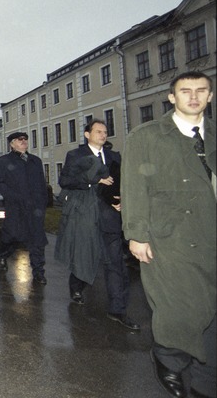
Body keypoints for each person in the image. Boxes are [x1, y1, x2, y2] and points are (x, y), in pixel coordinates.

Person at [122, 71, 216, 398]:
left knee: (211, 309)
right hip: (169, 235)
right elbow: (134, 187)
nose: (194, 96)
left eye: (201, 90)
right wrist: (136, 234)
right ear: (172, 98)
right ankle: (170, 356)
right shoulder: (147, 137)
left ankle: (206, 380)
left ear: (210, 95)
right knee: (180, 305)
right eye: (185, 91)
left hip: (210, 233)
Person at [55, 120, 139, 331]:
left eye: (105, 131)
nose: (103, 134)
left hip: (109, 216)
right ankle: (76, 286)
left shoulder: (114, 157)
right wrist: (94, 180)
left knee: (114, 264)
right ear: (87, 134)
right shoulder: (76, 156)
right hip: (85, 215)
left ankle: (117, 309)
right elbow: (65, 181)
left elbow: (125, 180)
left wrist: (122, 200)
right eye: (98, 131)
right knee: (84, 256)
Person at [0, 131, 49, 284]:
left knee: (37, 240)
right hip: (16, 207)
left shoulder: (35, 161)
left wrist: (43, 203)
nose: (24, 142)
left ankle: (39, 271)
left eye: (25, 139)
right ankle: (2, 254)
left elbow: (41, 184)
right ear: (12, 144)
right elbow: (0, 183)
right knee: (11, 236)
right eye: (20, 140)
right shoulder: (4, 161)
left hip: (35, 209)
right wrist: (13, 197)